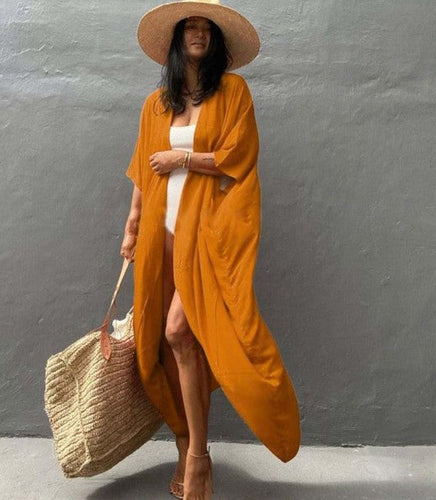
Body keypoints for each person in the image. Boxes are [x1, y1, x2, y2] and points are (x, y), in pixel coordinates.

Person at [120, 1, 301, 498]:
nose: (198, 35)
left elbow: (239, 156)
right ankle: (187, 444)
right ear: (178, 40)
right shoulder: (156, 104)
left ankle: (198, 455)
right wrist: (131, 229)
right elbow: (142, 170)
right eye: (190, 28)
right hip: (161, 233)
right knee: (168, 344)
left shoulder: (234, 92)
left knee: (180, 331)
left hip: (208, 233)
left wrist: (183, 158)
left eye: (205, 28)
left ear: (215, 40)